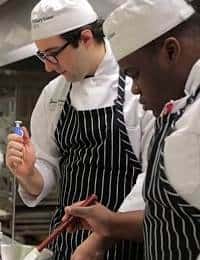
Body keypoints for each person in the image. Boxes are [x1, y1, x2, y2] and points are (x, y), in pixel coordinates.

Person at [5, 0, 153, 259]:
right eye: (42, 56)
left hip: (125, 247)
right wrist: (28, 173)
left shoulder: (136, 85)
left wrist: (102, 237)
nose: (48, 66)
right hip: (64, 244)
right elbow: (46, 167)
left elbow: (151, 179)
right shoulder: (54, 94)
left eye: (52, 54)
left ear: (85, 38)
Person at [63, 0, 200, 259]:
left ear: (171, 51)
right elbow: (169, 213)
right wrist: (110, 224)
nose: (135, 89)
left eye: (135, 74)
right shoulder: (177, 113)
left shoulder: (194, 125)